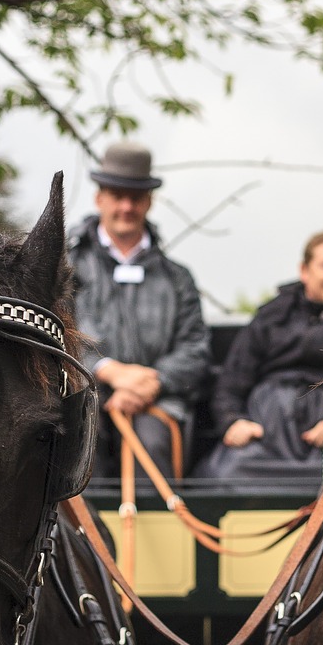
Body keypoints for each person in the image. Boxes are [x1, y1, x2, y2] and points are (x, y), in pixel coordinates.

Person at [67, 142, 210, 480]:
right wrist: (106, 370)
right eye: (117, 195)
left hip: (158, 403)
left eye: (136, 197)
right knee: (78, 436)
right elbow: (57, 336)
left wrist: (153, 382)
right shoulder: (66, 269)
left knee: (151, 439)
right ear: (99, 198)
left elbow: (195, 348)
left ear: (149, 201)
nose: (126, 206)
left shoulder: (178, 278)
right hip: (82, 395)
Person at [198, 230, 323, 480]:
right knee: (220, 475)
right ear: (304, 270)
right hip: (265, 441)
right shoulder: (272, 315)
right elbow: (230, 383)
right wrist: (233, 421)